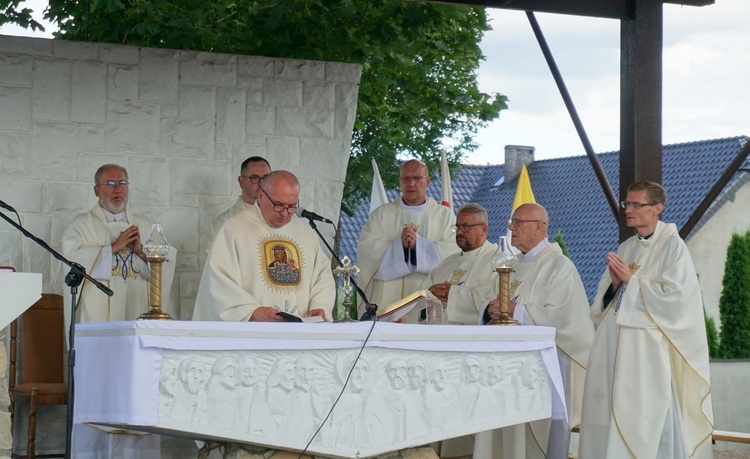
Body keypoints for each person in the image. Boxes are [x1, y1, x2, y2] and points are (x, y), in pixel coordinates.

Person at [579, 181, 713, 459]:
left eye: (636, 204)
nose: (629, 210)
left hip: (647, 355)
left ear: (657, 209)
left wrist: (633, 281)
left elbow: (677, 301)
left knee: (646, 424)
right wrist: (615, 286)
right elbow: (602, 303)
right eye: (627, 203)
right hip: (614, 348)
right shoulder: (626, 246)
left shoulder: (673, 248)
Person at [480, 203, 595, 459]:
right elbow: (492, 303)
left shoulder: (560, 267)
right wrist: (490, 311)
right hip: (508, 367)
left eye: (519, 223)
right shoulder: (512, 264)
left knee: (538, 443)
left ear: (541, 227)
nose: (511, 228)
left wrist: (514, 310)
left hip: (546, 368)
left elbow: (565, 320)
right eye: (512, 223)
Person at [193, 170, 335, 322]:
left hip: (298, 333)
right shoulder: (234, 229)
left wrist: (319, 305)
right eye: (279, 205)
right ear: (261, 196)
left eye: (292, 207)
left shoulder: (305, 233)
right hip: (252, 333)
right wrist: (251, 311)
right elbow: (218, 281)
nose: (285, 214)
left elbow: (322, 276)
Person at [62, 164, 177, 326]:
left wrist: (141, 251)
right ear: (96, 190)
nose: (117, 189)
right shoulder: (82, 225)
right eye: (109, 183)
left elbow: (166, 263)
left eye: (122, 183)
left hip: (136, 304)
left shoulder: (143, 224)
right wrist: (112, 248)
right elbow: (71, 261)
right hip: (98, 314)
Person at [357, 159, 457, 321]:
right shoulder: (381, 215)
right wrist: (399, 246)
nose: (411, 183)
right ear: (400, 181)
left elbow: (453, 254)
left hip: (428, 302)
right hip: (386, 301)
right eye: (406, 178)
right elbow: (367, 252)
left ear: (428, 181)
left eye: (417, 178)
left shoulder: (444, 216)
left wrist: (419, 246)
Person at [423, 203, 498, 324]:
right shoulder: (447, 263)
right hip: (439, 337)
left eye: (466, 227)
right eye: (457, 227)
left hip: (471, 338)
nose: (459, 232)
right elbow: (421, 296)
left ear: (483, 229)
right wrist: (431, 294)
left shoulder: (498, 261)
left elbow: (494, 301)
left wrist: (452, 294)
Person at [208, 156, 271, 246]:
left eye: (266, 178)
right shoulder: (224, 222)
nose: (261, 183)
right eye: (255, 178)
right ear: (241, 181)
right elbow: (215, 259)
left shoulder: (281, 218)